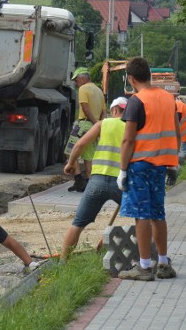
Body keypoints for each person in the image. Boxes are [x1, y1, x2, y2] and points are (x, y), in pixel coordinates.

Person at [116, 57, 180, 281]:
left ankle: (144, 266)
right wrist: (174, 161)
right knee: (157, 213)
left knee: (141, 215)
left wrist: (123, 170)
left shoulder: (136, 101)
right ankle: (163, 263)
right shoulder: (168, 98)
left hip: (140, 164)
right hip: (161, 164)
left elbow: (128, 141)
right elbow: (176, 132)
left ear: (131, 79)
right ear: (150, 75)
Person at [60, 96, 127, 260]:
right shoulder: (132, 128)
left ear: (114, 110)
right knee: (143, 218)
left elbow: (80, 144)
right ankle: (147, 258)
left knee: (77, 224)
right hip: (121, 184)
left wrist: (70, 163)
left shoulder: (102, 124)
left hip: (96, 182)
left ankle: (62, 264)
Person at [65, 67, 107, 192]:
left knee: (70, 151)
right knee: (89, 156)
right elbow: (104, 112)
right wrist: (100, 125)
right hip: (95, 127)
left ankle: (79, 180)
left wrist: (95, 123)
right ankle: (89, 184)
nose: (76, 84)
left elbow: (85, 107)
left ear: (83, 78)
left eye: (76, 80)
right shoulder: (99, 91)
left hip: (83, 125)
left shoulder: (83, 89)